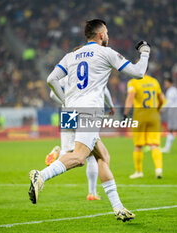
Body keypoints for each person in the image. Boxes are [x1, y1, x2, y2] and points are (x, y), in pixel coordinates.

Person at [28, 19, 150, 222]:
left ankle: (118, 208)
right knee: (79, 158)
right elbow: (138, 73)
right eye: (107, 32)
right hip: (89, 110)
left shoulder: (71, 56)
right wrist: (145, 52)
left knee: (103, 156)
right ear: (101, 34)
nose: (108, 35)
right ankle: (40, 175)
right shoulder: (106, 53)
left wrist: (66, 100)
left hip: (69, 111)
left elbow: (51, 80)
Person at [46, 71, 115, 200]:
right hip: (86, 112)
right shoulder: (95, 74)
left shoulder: (68, 75)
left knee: (70, 150)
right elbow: (105, 92)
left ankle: (59, 154)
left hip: (67, 112)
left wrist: (65, 102)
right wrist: (111, 106)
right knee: (92, 155)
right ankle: (92, 192)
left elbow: (51, 93)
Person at [123, 72, 164, 179]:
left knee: (138, 146)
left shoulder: (133, 82)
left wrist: (125, 113)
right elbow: (161, 100)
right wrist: (157, 110)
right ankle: (158, 170)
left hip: (140, 116)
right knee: (154, 144)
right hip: (153, 115)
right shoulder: (154, 81)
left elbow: (130, 97)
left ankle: (138, 172)